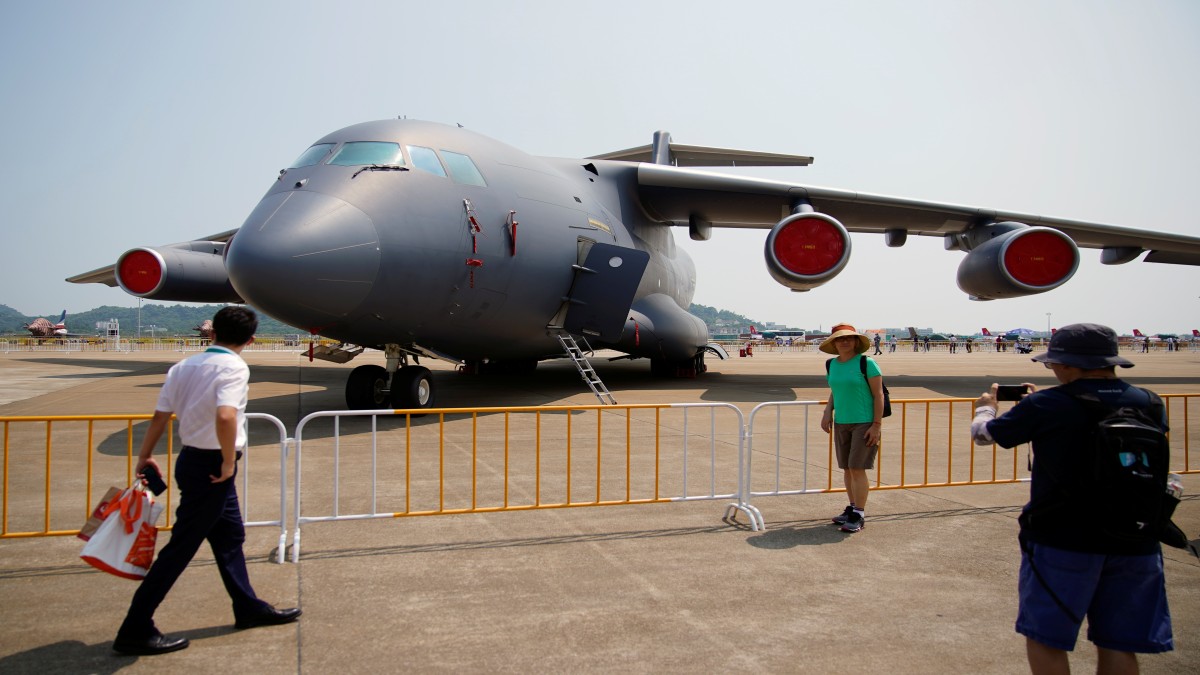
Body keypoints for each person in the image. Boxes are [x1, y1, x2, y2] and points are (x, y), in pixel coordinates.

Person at [969, 323, 1172, 673]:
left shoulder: (1049, 403)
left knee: (1047, 637)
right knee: (1119, 643)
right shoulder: (1148, 401)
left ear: (1066, 364)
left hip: (1064, 535)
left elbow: (985, 436)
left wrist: (985, 407)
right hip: (1135, 536)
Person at [112, 307, 301, 656]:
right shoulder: (233, 366)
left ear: (212, 333)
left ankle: (247, 607)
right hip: (214, 466)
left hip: (191, 460)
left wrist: (145, 454)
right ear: (251, 339)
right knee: (181, 547)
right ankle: (135, 626)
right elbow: (227, 415)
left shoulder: (183, 366)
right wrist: (229, 462)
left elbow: (160, 415)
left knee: (231, 536)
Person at [819, 324, 885, 533]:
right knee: (847, 468)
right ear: (834, 343)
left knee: (857, 468)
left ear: (856, 342)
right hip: (842, 421)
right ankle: (852, 507)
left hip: (864, 422)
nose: (844, 342)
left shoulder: (867, 363)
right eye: (840, 339)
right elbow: (835, 391)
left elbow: (878, 395)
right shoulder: (832, 365)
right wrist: (828, 412)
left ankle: (859, 513)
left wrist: (876, 425)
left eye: (849, 338)